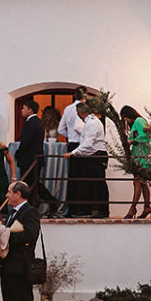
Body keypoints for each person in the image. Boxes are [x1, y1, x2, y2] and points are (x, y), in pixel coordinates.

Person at [63, 101, 109, 218]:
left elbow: (88, 142)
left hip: (96, 156)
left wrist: (73, 153)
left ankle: (103, 211)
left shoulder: (92, 123)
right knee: (87, 183)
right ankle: (86, 210)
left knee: (99, 184)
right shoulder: (90, 122)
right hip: (91, 156)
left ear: (80, 112)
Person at [56, 86, 87, 216]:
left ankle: (72, 208)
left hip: (72, 144)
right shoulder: (87, 109)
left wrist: (70, 136)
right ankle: (83, 208)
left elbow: (60, 129)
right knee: (86, 177)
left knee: (73, 177)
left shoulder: (68, 109)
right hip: (85, 145)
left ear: (74, 96)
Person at [120, 105, 151, 219]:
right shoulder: (136, 123)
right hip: (138, 155)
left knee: (137, 182)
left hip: (142, 156)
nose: (124, 120)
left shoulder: (139, 121)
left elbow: (145, 136)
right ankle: (147, 207)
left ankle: (133, 208)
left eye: (124, 117)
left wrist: (132, 141)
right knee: (142, 183)